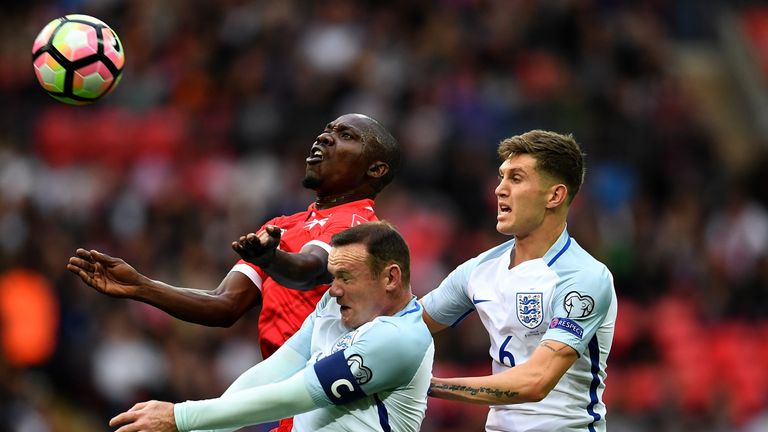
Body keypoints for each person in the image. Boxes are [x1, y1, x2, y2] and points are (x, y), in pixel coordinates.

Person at [66, 113, 400, 432]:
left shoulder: (361, 227)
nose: (324, 137)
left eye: (345, 136)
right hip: (290, 403)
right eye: (327, 130)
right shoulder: (283, 226)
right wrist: (140, 286)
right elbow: (224, 304)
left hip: (338, 408)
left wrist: (271, 260)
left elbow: (309, 271)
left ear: (375, 169)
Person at [107, 221, 434, 432]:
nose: (333, 289)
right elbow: (275, 371)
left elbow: (295, 395)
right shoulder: (336, 307)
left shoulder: (400, 339)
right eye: (334, 277)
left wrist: (180, 418)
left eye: (346, 278)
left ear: (390, 278)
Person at [421, 130, 617, 431]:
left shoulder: (583, 278)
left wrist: (430, 386)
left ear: (554, 196)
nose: (499, 189)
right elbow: (407, 327)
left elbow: (535, 382)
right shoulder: (479, 269)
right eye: (501, 177)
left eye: (516, 178)